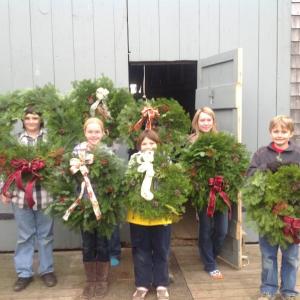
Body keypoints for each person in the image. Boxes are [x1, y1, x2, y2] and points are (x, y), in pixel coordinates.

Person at [0, 107, 57, 291]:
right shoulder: (15, 141)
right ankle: (24, 273)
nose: (31, 121)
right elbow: (5, 167)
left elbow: (59, 165)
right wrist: (4, 190)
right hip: (21, 197)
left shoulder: (51, 140)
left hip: (45, 196)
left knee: (46, 235)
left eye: (35, 118)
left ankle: (46, 270)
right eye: (28, 118)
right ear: (22, 120)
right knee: (25, 236)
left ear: (41, 120)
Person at [246, 115, 300, 300]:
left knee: (291, 256)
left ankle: (289, 291)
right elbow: (250, 175)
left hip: (291, 215)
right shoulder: (262, 153)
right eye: (276, 131)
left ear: (291, 133)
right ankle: (268, 289)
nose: (279, 135)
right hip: (267, 213)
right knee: (268, 255)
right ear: (270, 132)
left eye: (284, 131)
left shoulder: (297, 153)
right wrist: (266, 166)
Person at [72, 117, 113, 300]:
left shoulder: (107, 152)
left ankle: (102, 280)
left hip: (103, 205)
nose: (94, 135)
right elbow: (71, 175)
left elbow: (114, 178)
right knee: (88, 243)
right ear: (85, 132)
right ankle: (90, 281)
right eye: (90, 131)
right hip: (85, 204)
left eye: (97, 132)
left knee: (103, 242)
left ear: (103, 133)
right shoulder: (77, 150)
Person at [127, 129, 171, 300]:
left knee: (161, 248)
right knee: (140, 249)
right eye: (144, 143)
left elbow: (171, 183)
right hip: (139, 215)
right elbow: (129, 182)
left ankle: (161, 283)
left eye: (152, 143)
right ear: (139, 146)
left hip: (161, 213)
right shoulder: (133, 160)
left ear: (158, 145)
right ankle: (142, 284)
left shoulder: (165, 160)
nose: (148, 146)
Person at [189, 107, 227, 280]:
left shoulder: (222, 141)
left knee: (222, 230)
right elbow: (188, 168)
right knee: (206, 228)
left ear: (213, 121)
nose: (205, 123)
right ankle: (210, 264)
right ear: (197, 122)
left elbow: (230, 165)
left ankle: (210, 253)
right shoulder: (191, 142)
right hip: (203, 193)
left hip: (221, 192)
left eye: (208, 120)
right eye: (202, 120)